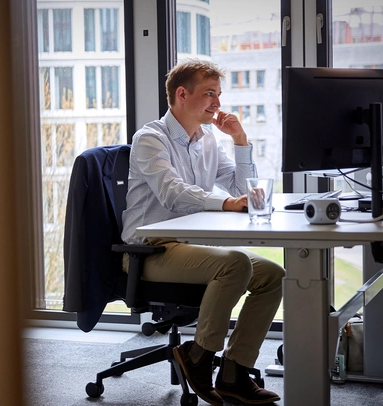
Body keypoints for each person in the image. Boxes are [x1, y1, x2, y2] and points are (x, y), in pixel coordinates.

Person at [121, 59, 284, 406]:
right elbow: (173, 193)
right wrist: (226, 204)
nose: (217, 103)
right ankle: (198, 356)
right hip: (151, 250)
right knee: (236, 263)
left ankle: (233, 373)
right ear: (182, 94)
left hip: (190, 247)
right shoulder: (151, 138)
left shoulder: (208, 139)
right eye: (209, 94)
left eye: (219, 94)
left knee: (273, 274)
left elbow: (244, 189)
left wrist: (240, 139)